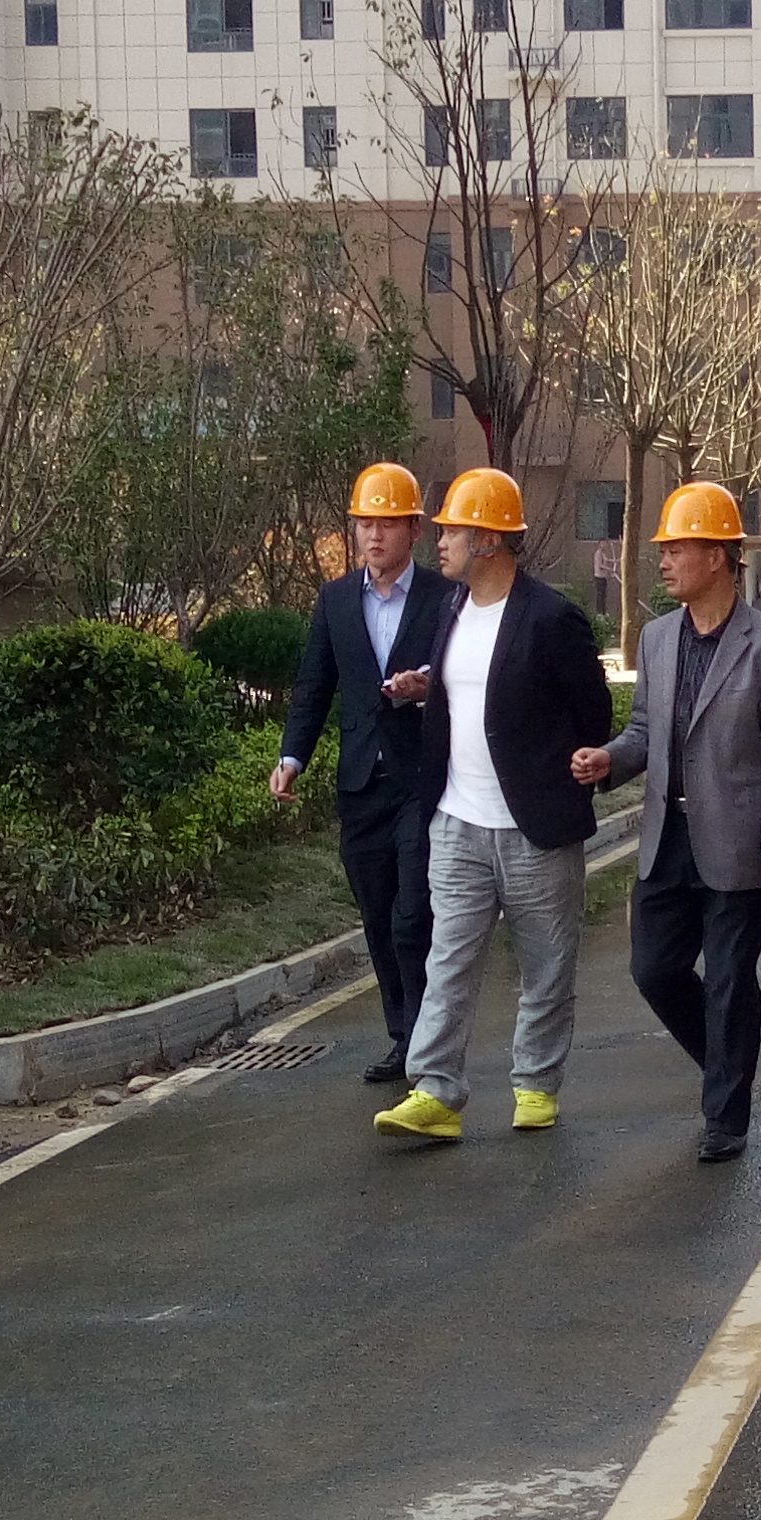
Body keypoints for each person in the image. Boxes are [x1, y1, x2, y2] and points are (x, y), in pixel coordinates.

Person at [374, 467, 617, 1143]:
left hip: (534, 826)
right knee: (447, 960)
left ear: (487, 539)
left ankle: (536, 1084)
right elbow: (471, 691)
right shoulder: (451, 609)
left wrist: (569, 769)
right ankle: (435, 1092)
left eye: (451, 530)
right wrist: (427, 688)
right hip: (457, 820)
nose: (440, 542)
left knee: (546, 967)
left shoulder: (551, 617)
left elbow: (592, 712)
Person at [575, 481, 761, 1162]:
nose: (665, 560)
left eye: (677, 548)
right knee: (654, 970)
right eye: (665, 549)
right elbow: (646, 730)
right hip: (666, 839)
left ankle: (725, 1118)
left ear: (717, 556)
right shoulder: (656, 639)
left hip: (740, 842)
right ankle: (727, 1063)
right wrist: (610, 760)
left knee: (731, 979)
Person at [273, 462, 460, 1085]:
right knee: (378, 916)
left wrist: (427, 687)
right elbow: (314, 685)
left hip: (421, 779)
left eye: (388, 524)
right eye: (364, 524)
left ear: (413, 530)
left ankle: (427, 1041)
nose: (374, 535)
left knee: (413, 916)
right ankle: (402, 1036)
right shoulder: (334, 600)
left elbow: (465, 674)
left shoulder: (443, 596)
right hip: (359, 783)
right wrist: (292, 757)